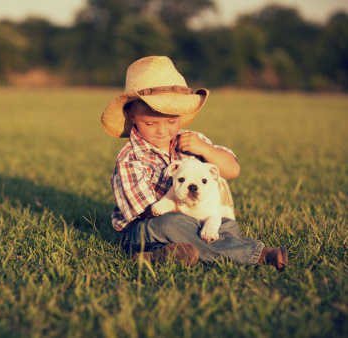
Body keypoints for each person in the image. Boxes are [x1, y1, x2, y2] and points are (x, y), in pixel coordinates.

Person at [101, 56, 287, 270]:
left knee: (227, 224)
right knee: (173, 224)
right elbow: (148, 211)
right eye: (150, 123)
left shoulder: (193, 141)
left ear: (182, 115)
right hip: (146, 229)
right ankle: (258, 254)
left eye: (171, 122)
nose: (162, 131)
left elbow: (232, 169)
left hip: (194, 219)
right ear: (132, 116)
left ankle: (166, 255)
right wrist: (194, 221)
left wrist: (205, 149)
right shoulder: (130, 159)